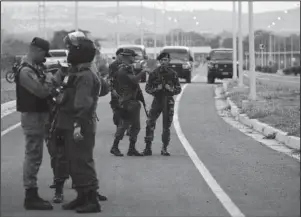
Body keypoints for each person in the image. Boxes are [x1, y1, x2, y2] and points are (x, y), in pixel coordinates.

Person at [52, 31, 104, 213]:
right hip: (68, 122)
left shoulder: (85, 75)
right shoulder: (75, 73)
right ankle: (81, 197)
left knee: (83, 161)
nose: (69, 53)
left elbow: (83, 104)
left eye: (73, 50)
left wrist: (77, 126)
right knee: (74, 162)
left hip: (79, 123)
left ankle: (91, 200)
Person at [15, 37, 55, 210]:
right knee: (33, 155)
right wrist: (49, 78)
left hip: (40, 116)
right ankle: (30, 195)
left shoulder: (34, 69)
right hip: (32, 118)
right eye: (44, 55)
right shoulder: (25, 71)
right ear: (37, 51)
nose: (45, 59)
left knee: (36, 155)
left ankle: (32, 193)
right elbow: (40, 92)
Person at [110, 48, 147, 157]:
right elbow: (134, 80)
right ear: (127, 57)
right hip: (127, 101)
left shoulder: (127, 68)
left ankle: (130, 148)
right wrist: (143, 72)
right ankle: (115, 147)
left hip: (131, 101)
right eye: (132, 56)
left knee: (132, 126)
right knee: (127, 125)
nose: (134, 58)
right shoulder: (124, 69)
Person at [143, 52, 182, 156]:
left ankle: (164, 148)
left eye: (166, 60)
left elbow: (178, 89)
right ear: (159, 61)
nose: (164, 62)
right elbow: (147, 88)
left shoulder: (173, 73)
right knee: (150, 123)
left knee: (166, 126)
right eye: (162, 60)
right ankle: (148, 147)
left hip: (168, 102)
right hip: (157, 101)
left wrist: (171, 89)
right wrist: (156, 89)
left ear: (169, 61)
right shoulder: (154, 73)